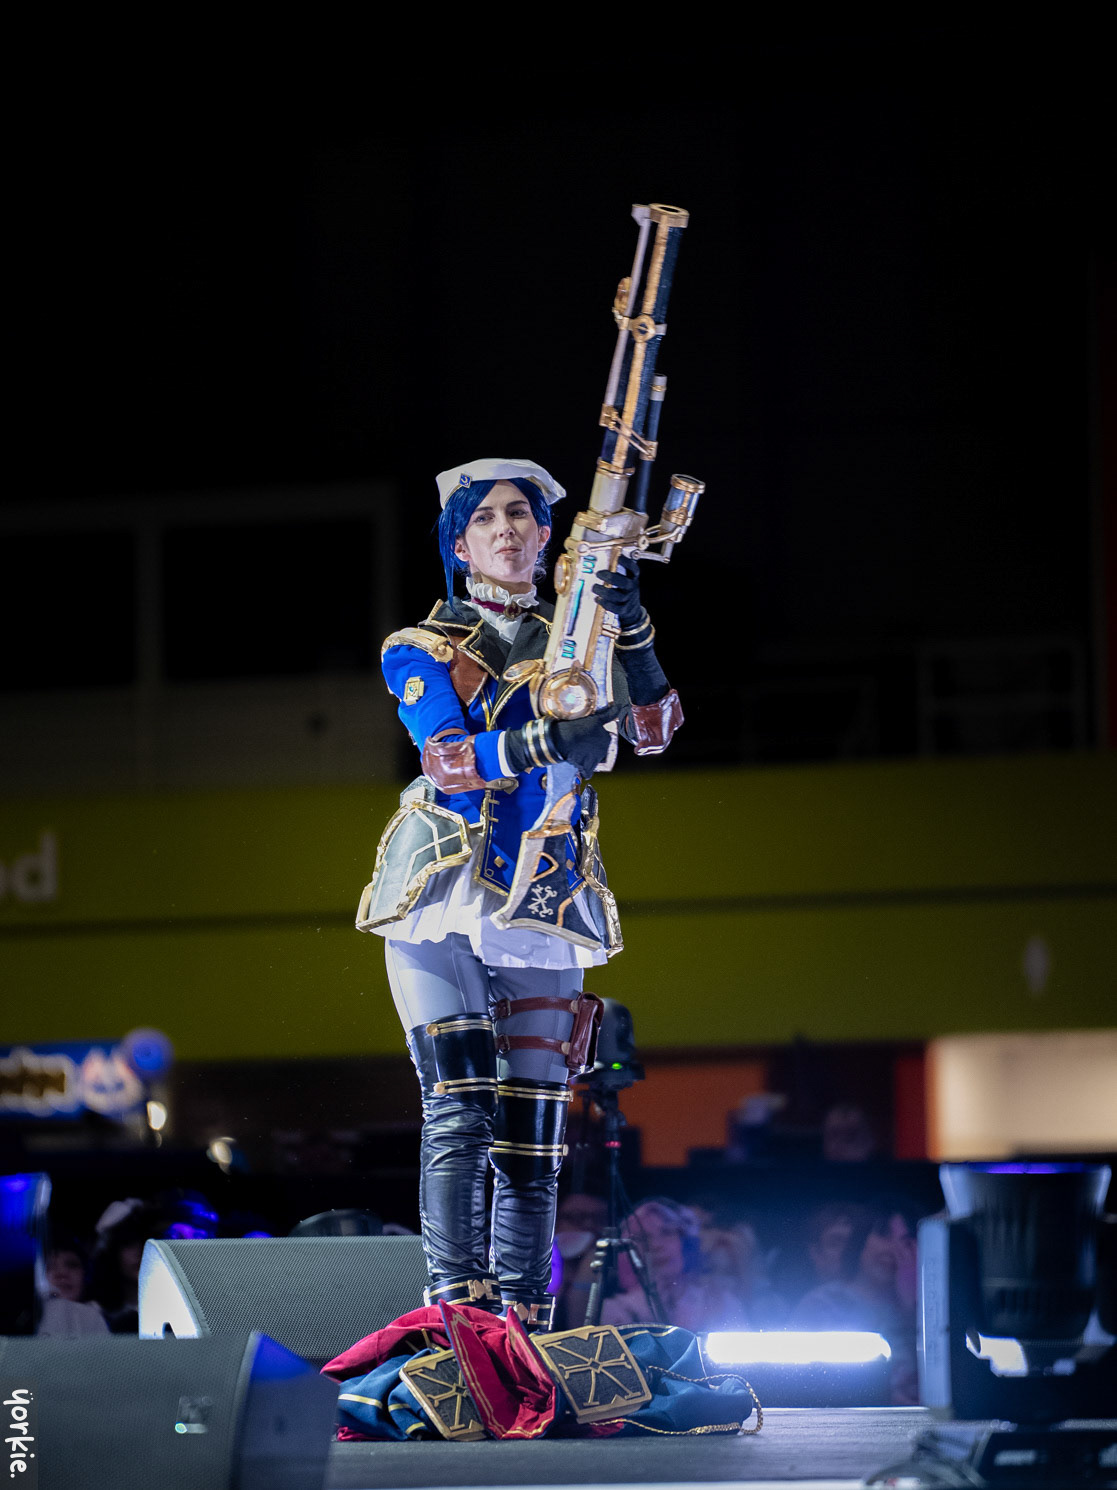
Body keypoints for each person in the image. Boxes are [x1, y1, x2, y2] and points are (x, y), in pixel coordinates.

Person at [359, 457, 682, 1331]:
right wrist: (547, 742)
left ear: (545, 535)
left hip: (546, 887)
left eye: (520, 514)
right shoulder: (420, 645)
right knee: (459, 1107)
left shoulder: (579, 634)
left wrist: (633, 627)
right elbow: (448, 761)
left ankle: (525, 1326)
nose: (504, 528)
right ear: (458, 542)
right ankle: (458, 1319)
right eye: (484, 517)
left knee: (535, 1135)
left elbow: (652, 730)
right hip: (445, 882)